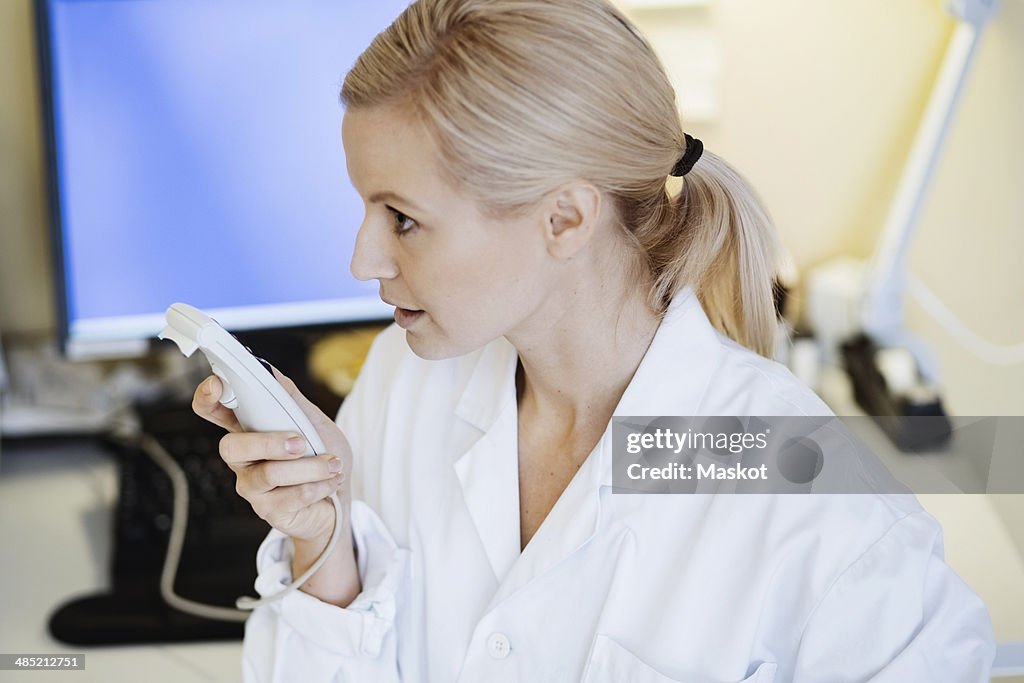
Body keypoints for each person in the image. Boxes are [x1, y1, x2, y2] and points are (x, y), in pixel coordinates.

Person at [193, 1, 996, 680]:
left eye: (403, 218)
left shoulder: (811, 505)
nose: (363, 259)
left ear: (566, 218)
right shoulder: (404, 384)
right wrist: (323, 538)